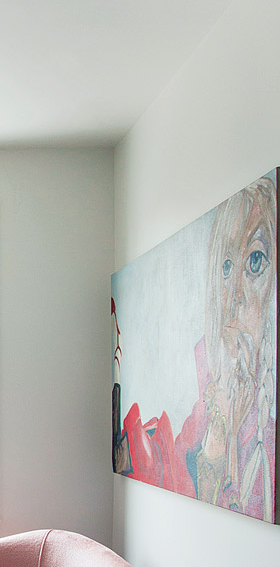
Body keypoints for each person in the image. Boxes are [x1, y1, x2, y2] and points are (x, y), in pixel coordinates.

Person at [115, 173, 277, 521]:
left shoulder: (268, 435)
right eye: (226, 267)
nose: (234, 295)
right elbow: (180, 465)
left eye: (255, 262)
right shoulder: (204, 407)